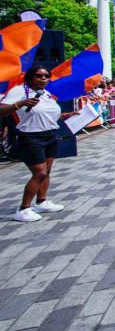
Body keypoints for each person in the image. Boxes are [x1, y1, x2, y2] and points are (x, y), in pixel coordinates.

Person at [0, 65, 79, 222]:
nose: (44, 78)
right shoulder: (19, 91)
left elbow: (48, 115)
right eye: (39, 75)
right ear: (30, 77)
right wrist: (19, 104)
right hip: (31, 137)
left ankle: (41, 201)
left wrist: (66, 115)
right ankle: (23, 209)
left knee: (47, 171)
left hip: (50, 135)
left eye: (46, 76)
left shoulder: (46, 94)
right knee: (40, 173)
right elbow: (2, 110)